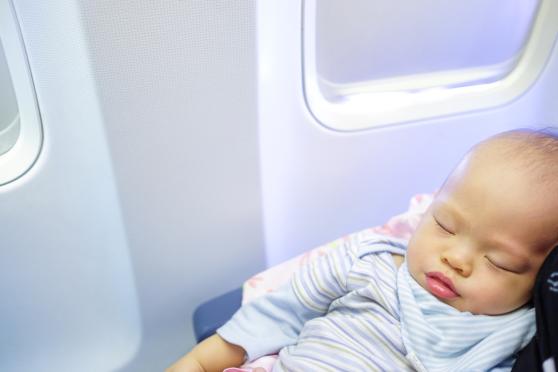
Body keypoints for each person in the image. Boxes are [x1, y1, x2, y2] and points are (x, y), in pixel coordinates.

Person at [167, 129, 558, 372]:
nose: (455, 258)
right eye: (444, 225)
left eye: (499, 262)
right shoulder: (370, 262)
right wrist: (199, 363)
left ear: (541, 280)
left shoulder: (515, 336)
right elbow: (278, 313)